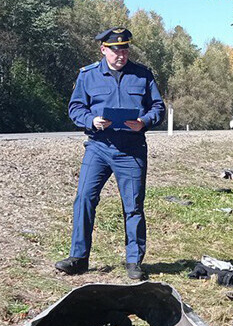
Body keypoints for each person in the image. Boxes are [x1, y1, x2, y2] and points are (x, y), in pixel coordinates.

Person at [55, 27, 165, 279]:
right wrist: (91, 120)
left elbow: (158, 107)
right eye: (115, 50)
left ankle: (134, 261)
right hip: (98, 147)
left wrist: (145, 121)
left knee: (133, 206)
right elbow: (75, 108)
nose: (121, 55)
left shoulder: (143, 75)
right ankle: (78, 258)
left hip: (131, 150)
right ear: (103, 49)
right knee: (84, 198)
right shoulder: (88, 75)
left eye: (125, 50)